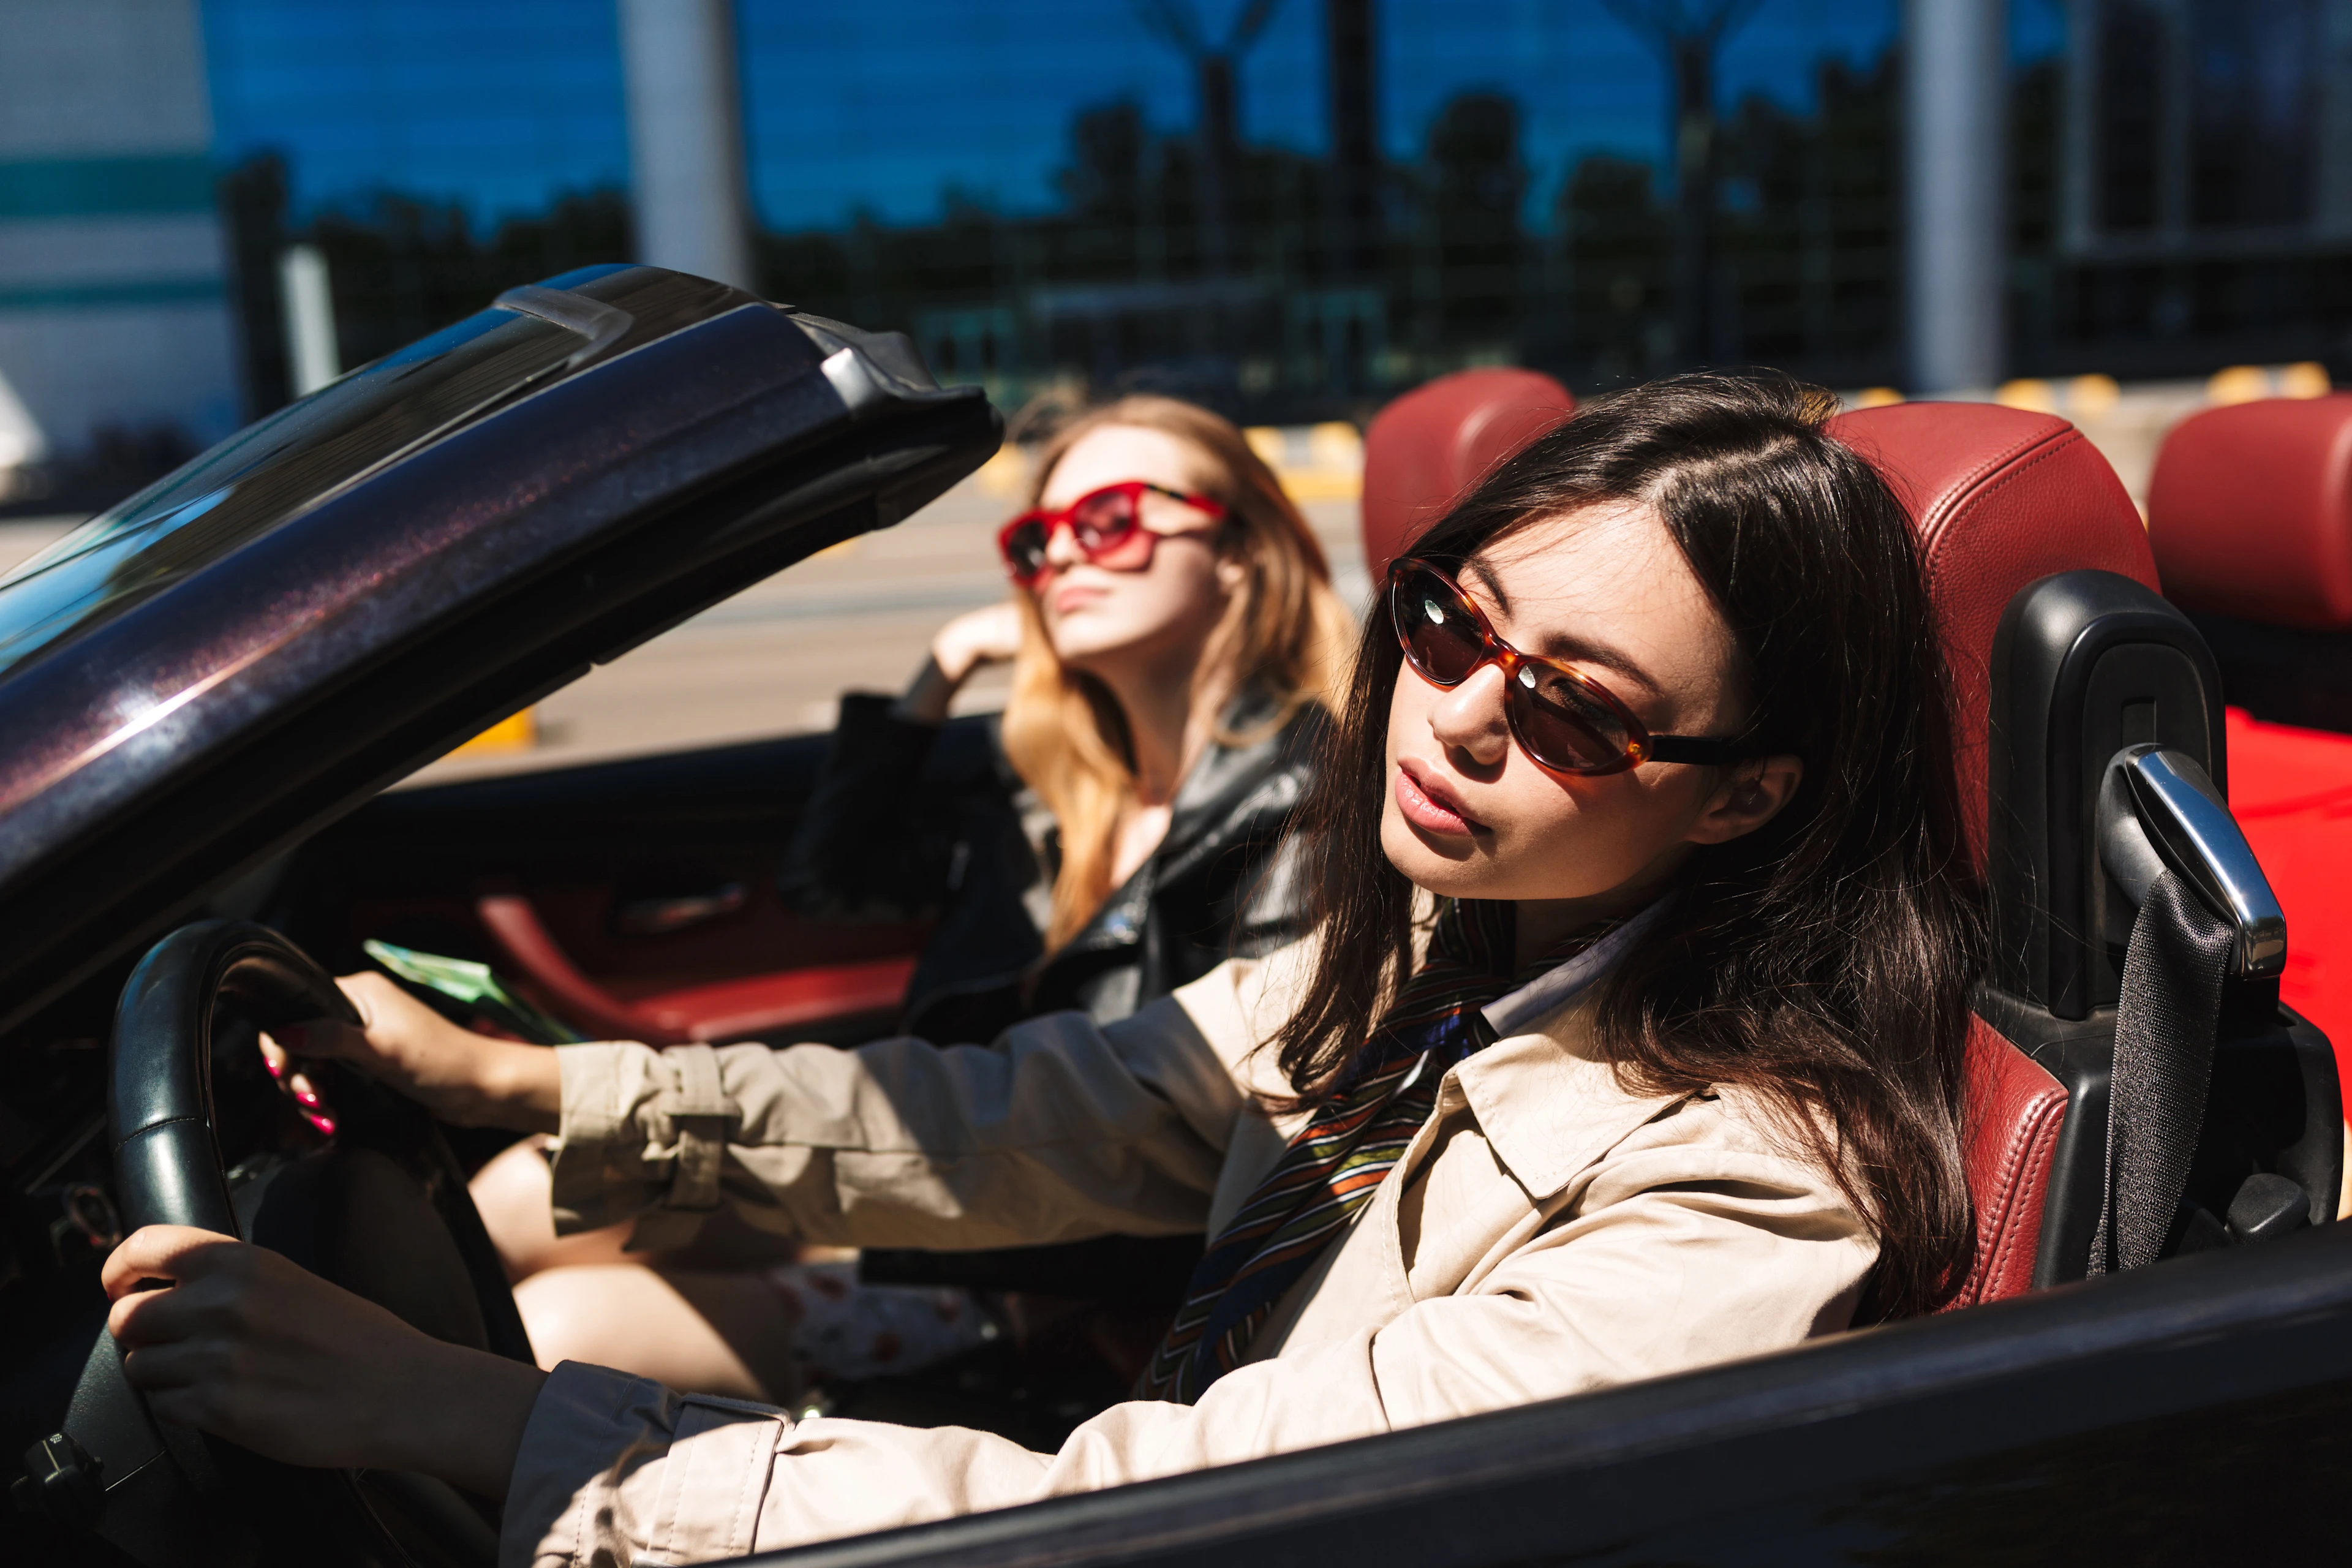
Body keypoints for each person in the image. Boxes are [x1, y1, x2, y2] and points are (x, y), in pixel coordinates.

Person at [104, 372, 1986, 1564]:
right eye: (1445, 619)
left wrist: (476, 1422)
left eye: (1576, 708)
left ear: (1743, 803)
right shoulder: (1438, 932)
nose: (1460, 716)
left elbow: (1225, 1512)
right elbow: (1035, 1117)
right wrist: (528, 1086)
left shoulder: (1733, 1181)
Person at [462, 393, 1357, 1402]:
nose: (1061, 558)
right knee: (529, 1189)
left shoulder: (1307, 808)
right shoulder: (1047, 797)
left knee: (564, 1325)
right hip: (933, 1205)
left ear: (1236, 546)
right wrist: (945, 668)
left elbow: (1252, 1145)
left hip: (1045, 1285)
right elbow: (831, 879)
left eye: (1106, 520)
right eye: (1036, 538)